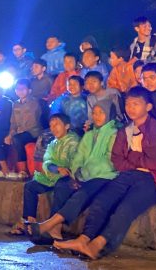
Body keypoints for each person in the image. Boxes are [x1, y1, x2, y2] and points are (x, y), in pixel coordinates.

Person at [53, 86, 156, 260]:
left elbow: (155, 162)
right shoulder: (125, 130)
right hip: (127, 174)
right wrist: (136, 159)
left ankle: (98, 245)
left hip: (153, 178)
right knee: (101, 200)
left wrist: (131, 156)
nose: (131, 108)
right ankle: (83, 239)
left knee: (125, 208)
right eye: (128, 104)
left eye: (136, 104)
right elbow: (117, 160)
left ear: (148, 107)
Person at [28, 101, 119, 244]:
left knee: (68, 187)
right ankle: (49, 228)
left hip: (104, 175)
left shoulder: (114, 133)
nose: (96, 116)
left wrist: (81, 174)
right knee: (56, 186)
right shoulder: (89, 135)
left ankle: (51, 226)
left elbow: (109, 160)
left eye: (101, 113)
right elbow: (78, 158)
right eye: (94, 113)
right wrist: (77, 173)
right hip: (82, 175)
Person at [9, 113, 79, 236]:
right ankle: (29, 220)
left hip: (68, 177)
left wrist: (62, 168)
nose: (53, 128)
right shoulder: (53, 143)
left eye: (57, 124)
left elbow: (73, 162)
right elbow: (47, 161)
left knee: (61, 186)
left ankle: (54, 225)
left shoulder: (74, 141)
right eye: (51, 125)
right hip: (52, 176)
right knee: (30, 186)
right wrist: (56, 168)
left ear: (67, 126)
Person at [5, 79, 42, 179]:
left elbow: (33, 122)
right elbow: (13, 122)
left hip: (33, 132)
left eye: (23, 89)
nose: (20, 91)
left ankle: (23, 170)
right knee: (7, 139)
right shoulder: (15, 104)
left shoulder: (34, 103)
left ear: (29, 90)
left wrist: (19, 131)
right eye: (17, 89)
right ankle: (8, 169)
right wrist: (10, 134)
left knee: (18, 139)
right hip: (20, 132)